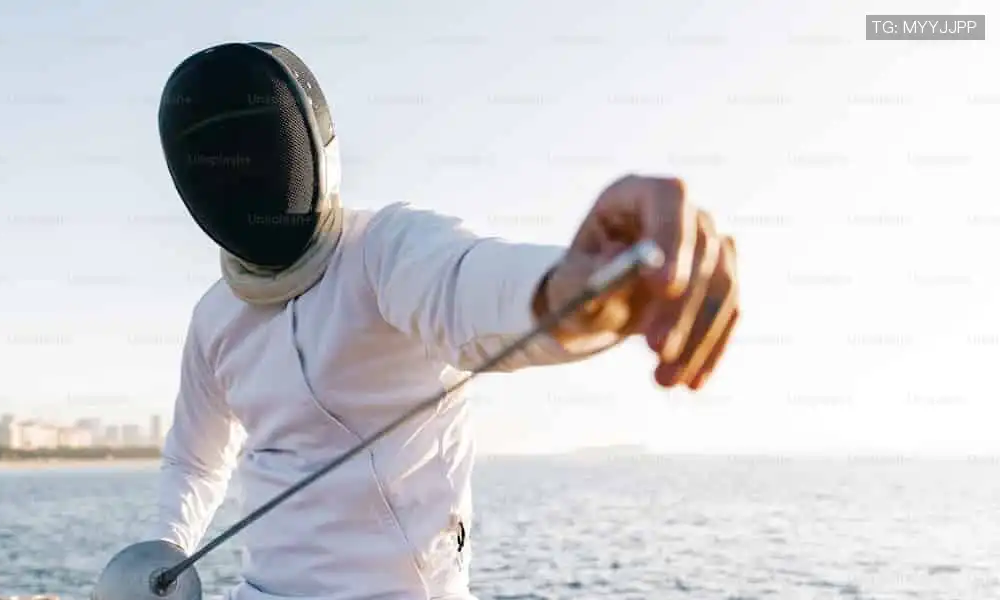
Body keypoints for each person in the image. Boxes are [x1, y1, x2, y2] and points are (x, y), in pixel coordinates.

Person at [142, 42, 739, 600]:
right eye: (218, 161)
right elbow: (195, 459)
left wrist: (582, 288)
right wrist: (160, 554)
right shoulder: (215, 317)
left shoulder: (386, 251)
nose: (239, 177)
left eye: (256, 151)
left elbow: (470, 288)